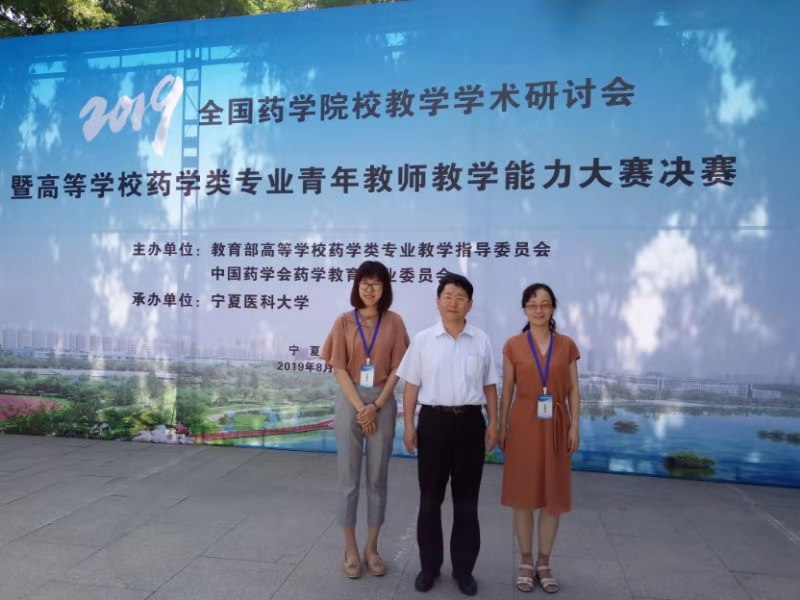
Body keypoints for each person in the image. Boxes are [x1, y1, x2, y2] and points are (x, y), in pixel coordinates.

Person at [397, 273, 499, 597]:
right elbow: (411, 386)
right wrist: (409, 426)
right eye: (448, 296)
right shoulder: (423, 340)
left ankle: (463, 569)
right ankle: (429, 567)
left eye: (460, 297)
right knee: (430, 500)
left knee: (467, 502)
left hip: (470, 424)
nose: (454, 302)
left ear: (470, 304)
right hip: (433, 424)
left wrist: (494, 423)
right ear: (438, 301)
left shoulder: (481, 340)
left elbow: (489, 386)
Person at [320, 260, 410, 579]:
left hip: (382, 400)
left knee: (377, 478)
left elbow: (399, 368)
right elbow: (338, 367)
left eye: (376, 284)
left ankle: (372, 547)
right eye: (364, 283)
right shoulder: (344, 321)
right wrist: (361, 407)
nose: (370, 289)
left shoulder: (395, 321)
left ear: (385, 288)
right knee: (348, 478)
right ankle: (350, 548)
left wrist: (377, 406)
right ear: (357, 286)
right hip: (350, 400)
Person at [499, 283, 581, 594]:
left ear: (552, 308)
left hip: (557, 422)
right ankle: (525, 559)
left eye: (545, 304)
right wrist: (502, 425)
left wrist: (575, 426)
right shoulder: (512, 345)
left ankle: (544, 562)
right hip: (523, 421)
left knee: (552, 498)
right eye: (532, 305)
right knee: (523, 496)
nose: (539, 310)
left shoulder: (567, 345)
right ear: (524, 309)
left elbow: (574, 390)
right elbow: (507, 389)